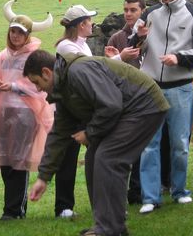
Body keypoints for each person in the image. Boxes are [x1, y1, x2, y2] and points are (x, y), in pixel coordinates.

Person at [25, 50, 169, 236]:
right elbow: (59, 134)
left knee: (108, 158)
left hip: (144, 105)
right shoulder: (63, 89)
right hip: (127, 110)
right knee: (94, 157)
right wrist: (43, 178)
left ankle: (110, 229)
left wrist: (89, 133)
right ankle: (106, 224)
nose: (38, 89)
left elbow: (111, 105)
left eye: (36, 82)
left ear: (46, 72)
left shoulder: (78, 71)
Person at [134, 0, 193, 214]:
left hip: (181, 88)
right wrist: (138, 38)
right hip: (151, 88)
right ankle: (150, 197)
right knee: (149, 144)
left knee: (180, 143)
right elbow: (134, 47)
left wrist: (178, 58)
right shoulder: (149, 13)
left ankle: (179, 191)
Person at [0, 1, 54, 220]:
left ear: (28, 34)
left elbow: (39, 87)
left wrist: (12, 86)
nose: (15, 36)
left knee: (19, 161)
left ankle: (16, 210)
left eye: (20, 32)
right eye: (12, 31)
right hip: (4, 114)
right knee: (5, 160)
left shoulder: (34, 56)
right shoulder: (4, 55)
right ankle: (9, 209)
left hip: (25, 115)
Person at [49, 3, 98, 218]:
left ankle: (101, 201)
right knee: (68, 157)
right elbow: (90, 68)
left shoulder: (82, 44)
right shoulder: (66, 47)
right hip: (70, 109)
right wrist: (118, 59)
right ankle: (63, 206)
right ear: (80, 25)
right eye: (89, 21)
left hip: (85, 106)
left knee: (97, 155)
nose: (92, 24)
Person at [104, 0, 145, 204]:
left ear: (142, 12)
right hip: (124, 99)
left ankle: (142, 188)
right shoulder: (116, 39)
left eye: (133, 10)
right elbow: (109, 73)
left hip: (148, 96)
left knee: (148, 146)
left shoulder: (151, 34)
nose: (128, 14)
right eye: (126, 10)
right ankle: (126, 191)